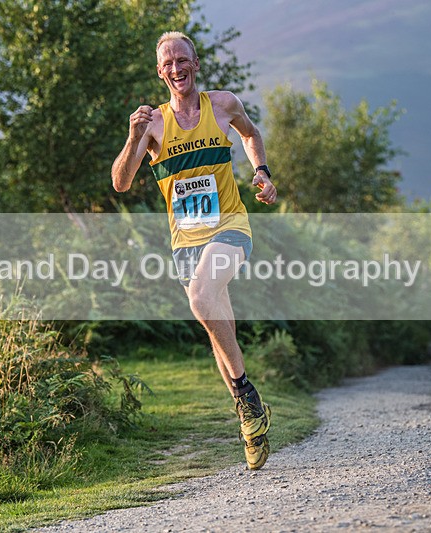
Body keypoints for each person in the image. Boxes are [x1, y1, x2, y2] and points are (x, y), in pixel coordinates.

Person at [111, 31, 277, 470]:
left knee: (201, 298)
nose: (176, 68)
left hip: (230, 226)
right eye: (168, 63)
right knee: (217, 331)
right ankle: (251, 425)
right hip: (186, 240)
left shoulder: (222, 105)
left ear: (195, 64)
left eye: (182, 60)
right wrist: (132, 138)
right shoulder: (152, 125)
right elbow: (121, 182)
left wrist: (260, 172)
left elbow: (251, 133)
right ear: (160, 72)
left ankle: (246, 397)